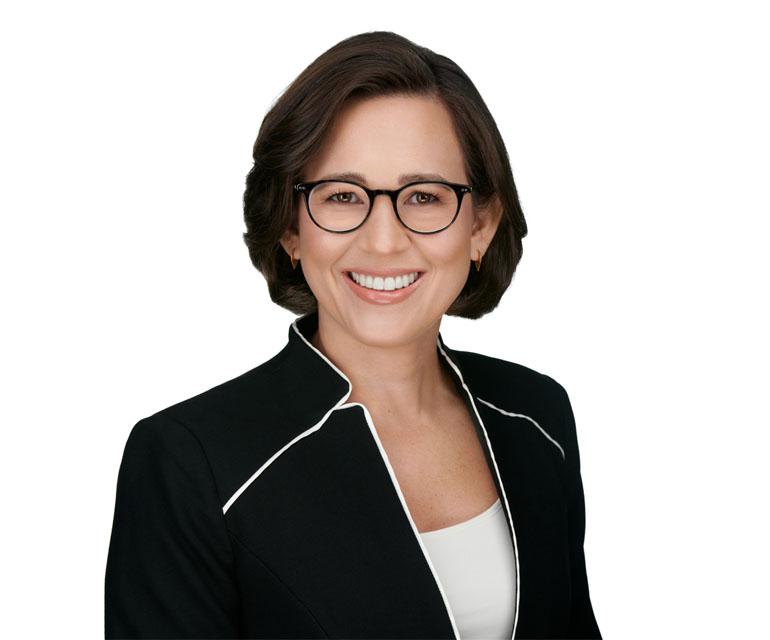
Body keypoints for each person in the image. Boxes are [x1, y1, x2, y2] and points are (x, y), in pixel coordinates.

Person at [105, 30, 602, 640]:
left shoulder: (537, 415)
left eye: (424, 196)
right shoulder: (190, 463)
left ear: (480, 227)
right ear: (290, 228)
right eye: (342, 196)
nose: (384, 241)